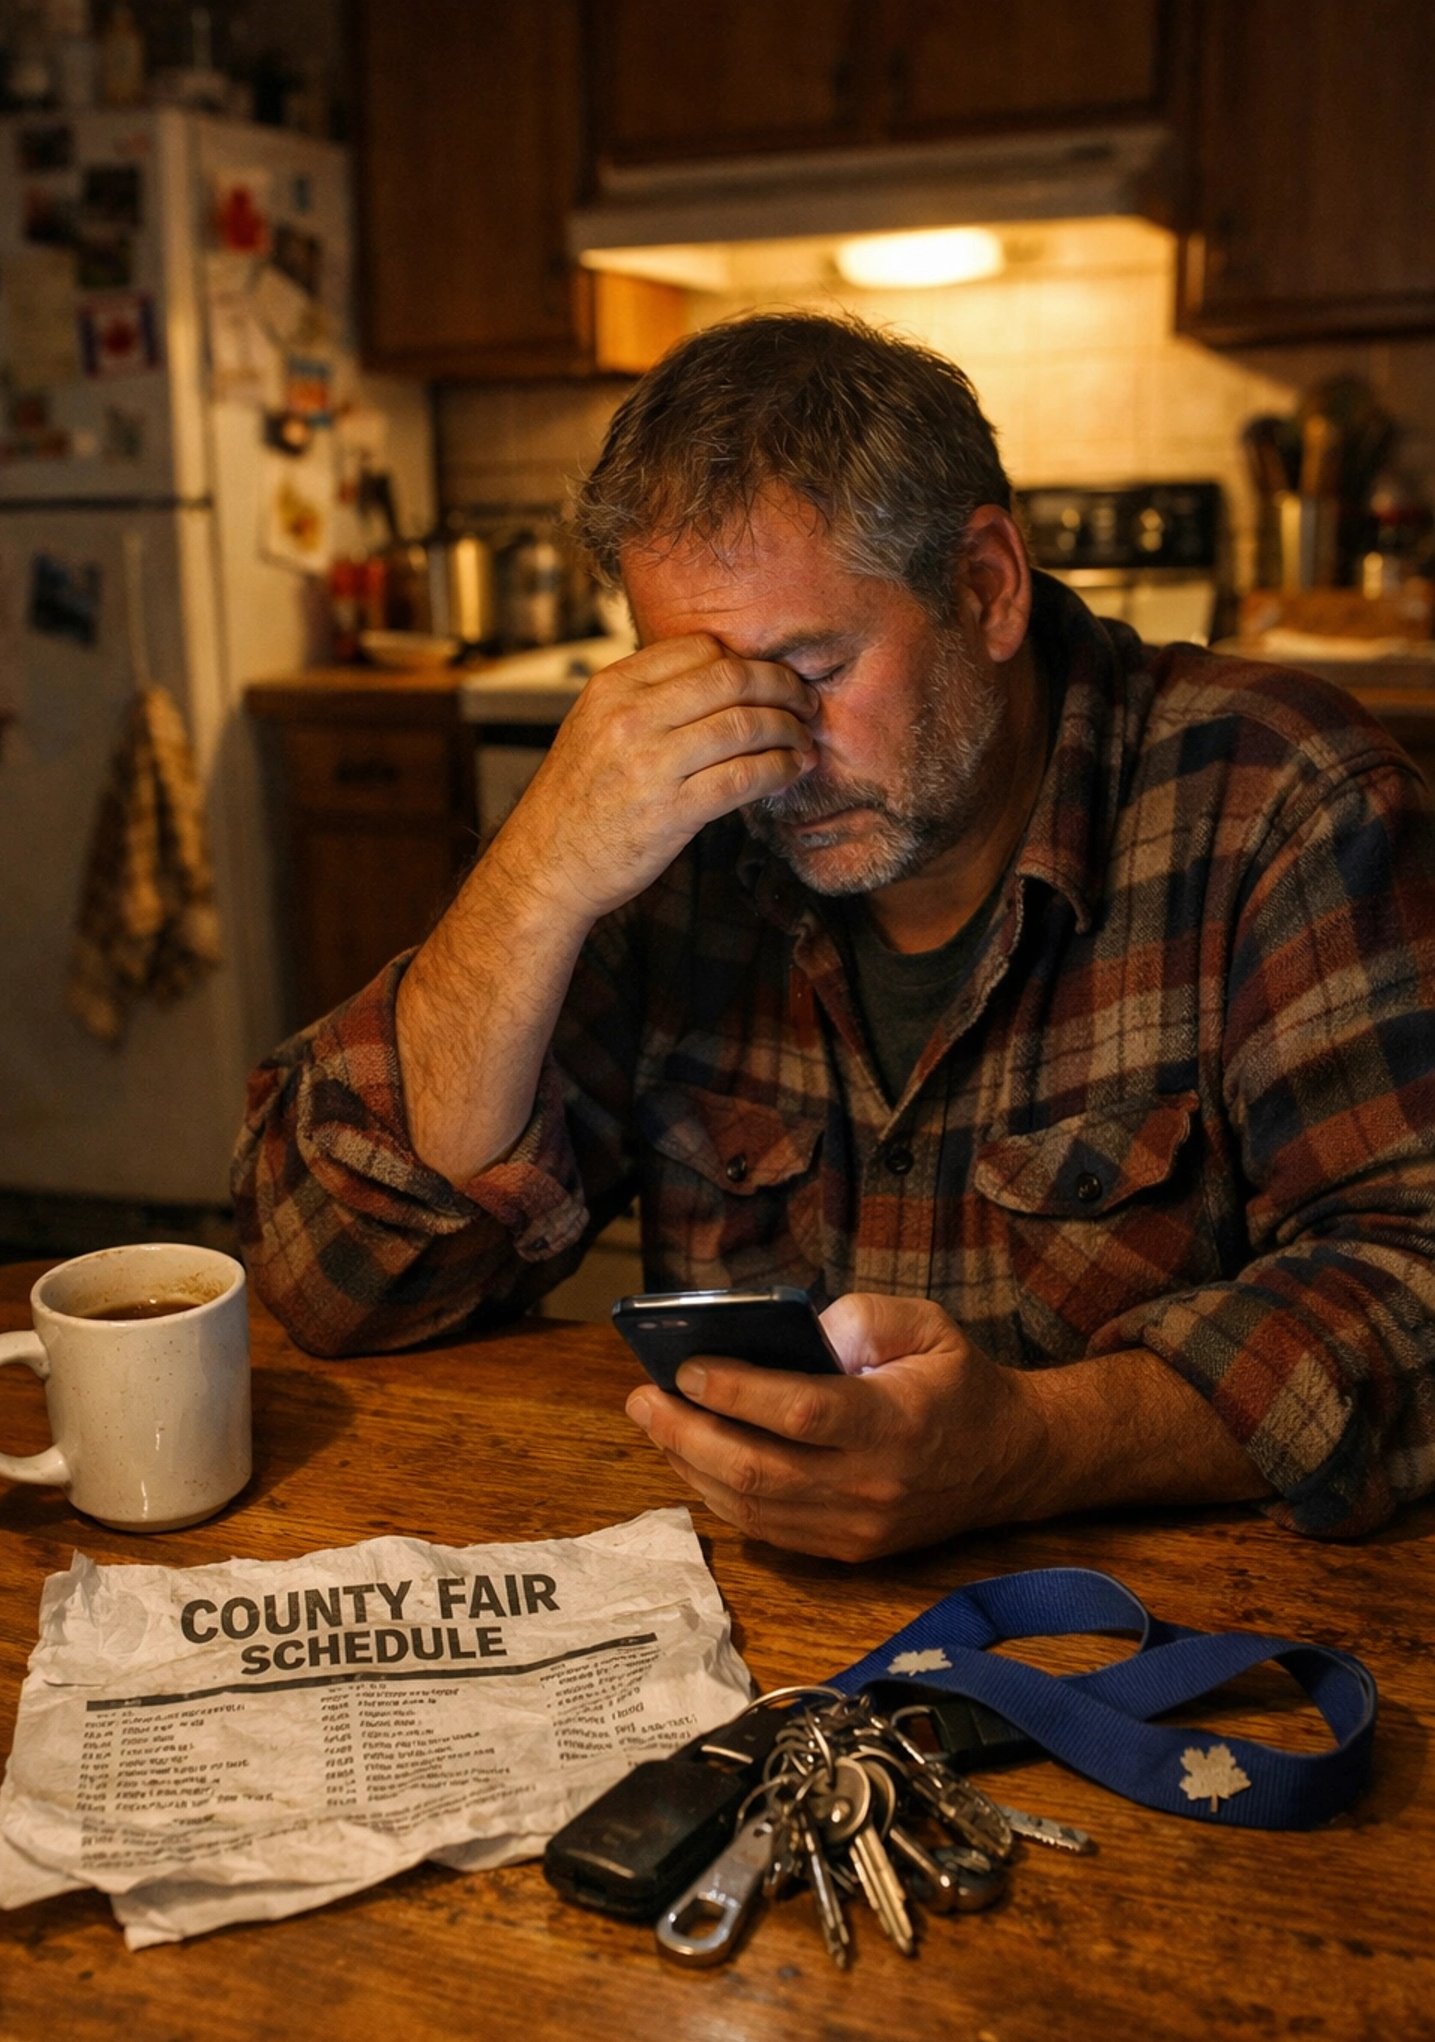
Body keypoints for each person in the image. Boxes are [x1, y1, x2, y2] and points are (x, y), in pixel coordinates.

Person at [234, 314, 1435, 1558]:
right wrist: (536, 875)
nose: (770, 753)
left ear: (985, 587)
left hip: (1164, 1648)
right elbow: (334, 1276)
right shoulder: (675, 831)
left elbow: (1411, 1277)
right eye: (699, 682)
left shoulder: (1284, 802)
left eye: (814, 666)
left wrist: (1034, 1445)